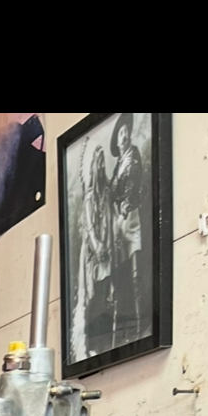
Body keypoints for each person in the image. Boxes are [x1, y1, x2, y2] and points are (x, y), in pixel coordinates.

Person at [73, 139, 113, 360]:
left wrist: (107, 246)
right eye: (97, 163)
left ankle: (104, 342)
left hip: (106, 253)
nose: (100, 167)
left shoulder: (105, 194)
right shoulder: (89, 197)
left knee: (105, 294)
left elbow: (109, 218)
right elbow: (88, 227)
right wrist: (98, 247)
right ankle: (90, 344)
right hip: (92, 255)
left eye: (102, 163)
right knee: (93, 296)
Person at [109, 113, 146, 344]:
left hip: (131, 218)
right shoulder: (117, 165)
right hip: (118, 223)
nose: (124, 136)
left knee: (135, 272)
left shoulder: (133, 157)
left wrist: (123, 211)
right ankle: (122, 329)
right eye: (121, 132)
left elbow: (133, 186)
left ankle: (141, 326)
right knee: (119, 277)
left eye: (126, 132)